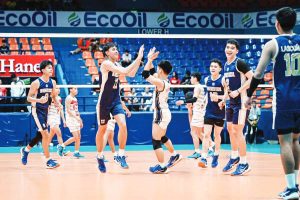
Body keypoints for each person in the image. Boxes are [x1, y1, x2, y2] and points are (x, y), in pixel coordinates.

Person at [245, 7, 299, 199]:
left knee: (284, 141)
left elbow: (258, 73)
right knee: (296, 140)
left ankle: (292, 188)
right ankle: (296, 184)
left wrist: (249, 94)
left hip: (284, 99)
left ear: (277, 24)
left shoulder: (273, 44)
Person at [96, 42, 144, 173]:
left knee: (123, 124)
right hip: (104, 102)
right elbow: (125, 71)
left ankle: (120, 155)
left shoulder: (116, 64)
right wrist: (137, 57)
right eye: (113, 49)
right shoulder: (106, 64)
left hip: (116, 100)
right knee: (102, 130)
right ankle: (99, 156)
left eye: (117, 49)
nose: (116, 51)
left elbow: (131, 74)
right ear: (107, 53)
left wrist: (140, 59)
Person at [143, 47, 182, 174]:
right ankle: (175, 155)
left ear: (161, 70)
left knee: (156, 140)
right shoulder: (163, 81)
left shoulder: (160, 83)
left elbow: (145, 74)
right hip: (164, 112)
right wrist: (151, 60)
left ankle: (162, 166)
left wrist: (149, 59)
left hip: (161, 113)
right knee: (162, 136)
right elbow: (152, 71)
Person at [20, 60, 60, 169]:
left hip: (46, 110)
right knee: (46, 135)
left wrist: (57, 104)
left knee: (39, 135)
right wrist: (38, 100)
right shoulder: (36, 83)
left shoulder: (53, 82)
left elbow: (53, 96)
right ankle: (48, 160)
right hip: (36, 110)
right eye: (48, 68)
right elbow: (28, 98)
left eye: (51, 67)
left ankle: (26, 150)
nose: (51, 69)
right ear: (43, 70)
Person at [222, 39, 253, 176]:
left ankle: (244, 163)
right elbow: (228, 85)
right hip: (231, 102)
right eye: (227, 47)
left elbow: (252, 78)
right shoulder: (226, 65)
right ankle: (234, 157)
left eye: (232, 48)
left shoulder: (239, 62)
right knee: (230, 129)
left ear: (237, 51)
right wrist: (225, 97)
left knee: (237, 131)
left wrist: (239, 91)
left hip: (241, 102)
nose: (229, 49)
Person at [176, 72, 214, 159]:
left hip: (199, 112)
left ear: (195, 78)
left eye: (191, 78)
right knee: (197, 132)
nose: (190, 80)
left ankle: (211, 146)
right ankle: (209, 147)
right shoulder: (199, 87)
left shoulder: (197, 87)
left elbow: (195, 99)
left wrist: (183, 102)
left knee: (197, 132)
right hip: (199, 111)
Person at [198, 59, 226, 168]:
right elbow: (207, 94)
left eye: (215, 66)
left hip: (219, 111)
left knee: (217, 135)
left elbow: (228, 95)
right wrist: (204, 102)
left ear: (220, 69)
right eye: (211, 66)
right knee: (206, 135)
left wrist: (219, 98)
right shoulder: (206, 80)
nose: (212, 68)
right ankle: (204, 157)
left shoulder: (223, 80)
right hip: (209, 111)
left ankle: (216, 155)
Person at [57, 87, 84, 158]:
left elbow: (76, 110)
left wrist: (80, 119)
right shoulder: (68, 98)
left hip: (76, 118)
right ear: (70, 90)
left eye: (77, 89)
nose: (76, 90)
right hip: (71, 119)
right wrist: (76, 118)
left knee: (79, 137)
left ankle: (76, 152)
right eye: (75, 89)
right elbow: (68, 111)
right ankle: (62, 146)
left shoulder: (75, 99)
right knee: (76, 137)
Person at [47, 86, 69, 156]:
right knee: (59, 133)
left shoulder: (59, 98)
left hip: (57, 117)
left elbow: (61, 110)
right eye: (57, 88)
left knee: (51, 135)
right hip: (51, 117)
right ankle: (62, 149)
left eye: (59, 88)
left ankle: (45, 149)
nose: (58, 90)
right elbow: (47, 109)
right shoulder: (50, 98)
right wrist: (46, 120)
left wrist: (64, 120)